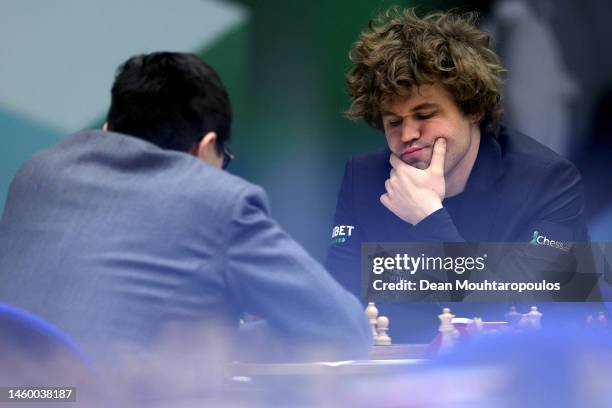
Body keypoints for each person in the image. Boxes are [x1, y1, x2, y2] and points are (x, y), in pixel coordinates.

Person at [0, 52, 371, 371]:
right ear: (206, 147)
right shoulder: (221, 199)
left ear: (107, 128)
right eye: (222, 160)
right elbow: (343, 328)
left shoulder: (37, 173)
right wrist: (240, 335)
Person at [326, 8, 593, 342]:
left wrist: (428, 218)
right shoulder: (362, 178)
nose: (407, 133)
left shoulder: (548, 181)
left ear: (473, 109)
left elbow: (521, 307)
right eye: (393, 122)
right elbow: (340, 297)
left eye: (424, 115)